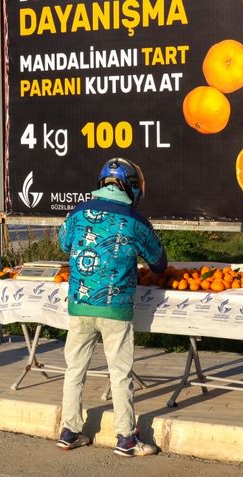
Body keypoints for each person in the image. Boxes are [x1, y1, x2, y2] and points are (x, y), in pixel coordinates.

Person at [55, 157, 168, 457]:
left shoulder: (78, 212)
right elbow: (159, 264)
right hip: (115, 308)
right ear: (132, 188)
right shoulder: (135, 221)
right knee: (119, 373)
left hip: (79, 304)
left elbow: (63, 242)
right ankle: (126, 439)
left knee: (74, 370)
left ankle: (69, 431)